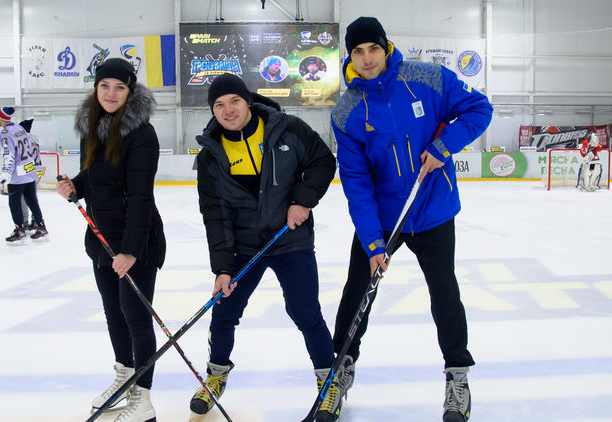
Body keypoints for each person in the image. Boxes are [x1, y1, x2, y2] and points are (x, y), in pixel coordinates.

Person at [330, 17, 493, 422]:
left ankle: (457, 375)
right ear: (349, 56)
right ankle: (340, 369)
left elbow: (479, 109)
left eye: (373, 48)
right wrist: (372, 242)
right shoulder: (347, 110)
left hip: (433, 209)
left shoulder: (427, 78)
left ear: (386, 47)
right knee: (357, 292)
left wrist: (444, 146)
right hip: (385, 217)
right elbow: (356, 181)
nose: (367, 58)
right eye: (357, 51)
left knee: (444, 293)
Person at [190, 73, 343, 421]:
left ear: (248, 101)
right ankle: (215, 376)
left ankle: (328, 383)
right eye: (219, 105)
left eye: (234, 101)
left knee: (305, 313)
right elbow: (215, 216)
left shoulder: (287, 129)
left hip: (290, 240)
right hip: (244, 248)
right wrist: (222, 268)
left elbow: (322, 161)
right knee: (224, 311)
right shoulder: (211, 156)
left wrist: (302, 200)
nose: (228, 110)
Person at [55, 58, 166, 422]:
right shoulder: (92, 129)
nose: (111, 93)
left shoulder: (142, 134)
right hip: (101, 241)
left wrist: (130, 251)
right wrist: (75, 186)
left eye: (120, 87)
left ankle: (143, 397)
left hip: (137, 243)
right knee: (114, 314)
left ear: (130, 92)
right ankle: (124, 376)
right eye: (104, 86)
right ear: (96, 89)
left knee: (136, 318)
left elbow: (140, 196)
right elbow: (94, 177)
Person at [0, 107, 48, 244]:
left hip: (17, 174)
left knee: (14, 202)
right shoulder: (19, 128)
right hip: (29, 171)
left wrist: (6, 172)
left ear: (0, 118)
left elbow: (9, 154)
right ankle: (41, 226)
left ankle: (19, 230)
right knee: (32, 200)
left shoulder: (5, 133)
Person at [17, 118, 42, 233]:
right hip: (37, 170)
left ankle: (24, 222)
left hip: (28, 171)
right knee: (32, 196)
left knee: (23, 198)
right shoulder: (35, 139)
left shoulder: (23, 140)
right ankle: (35, 220)